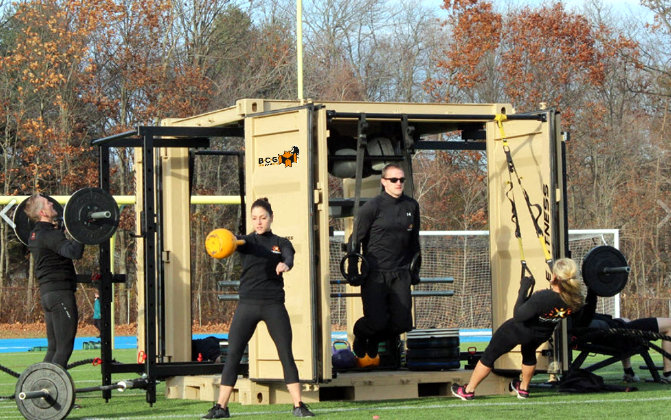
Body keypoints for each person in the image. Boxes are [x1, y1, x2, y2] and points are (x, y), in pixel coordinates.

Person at [203, 198, 314, 419]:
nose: (259, 222)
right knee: (233, 354)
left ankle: (299, 405)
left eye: (263, 217)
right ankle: (221, 408)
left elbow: (289, 257)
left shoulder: (281, 242)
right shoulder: (245, 242)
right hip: (247, 305)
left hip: (273, 305)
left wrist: (285, 264)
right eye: (254, 218)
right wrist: (227, 241)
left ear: (271, 217)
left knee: (285, 354)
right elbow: (228, 241)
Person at [451, 258, 587, 400]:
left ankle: (468, 390)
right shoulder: (576, 300)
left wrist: (523, 289)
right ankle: (523, 389)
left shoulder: (543, 297)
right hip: (541, 335)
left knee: (490, 355)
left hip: (518, 330)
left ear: (555, 277)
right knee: (528, 354)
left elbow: (519, 316)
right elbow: (579, 316)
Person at [350, 163, 420, 364]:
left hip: (400, 273)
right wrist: (353, 270)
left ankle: (374, 337)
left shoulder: (411, 206)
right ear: (384, 182)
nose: (398, 183)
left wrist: (415, 270)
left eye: (401, 180)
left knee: (402, 323)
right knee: (377, 321)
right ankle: (361, 332)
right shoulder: (372, 207)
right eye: (393, 180)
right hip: (375, 274)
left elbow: (414, 240)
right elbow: (354, 240)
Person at [24, 193, 84, 368]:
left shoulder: (36, 234)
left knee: (54, 348)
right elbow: (74, 252)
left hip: (48, 295)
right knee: (64, 348)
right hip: (60, 294)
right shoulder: (49, 234)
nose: (51, 203)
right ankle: (51, 391)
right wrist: (82, 230)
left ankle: (42, 389)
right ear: (43, 212)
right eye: (47, 203)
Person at [573, 288, 671, 382]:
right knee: (670, 325)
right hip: (619, 337)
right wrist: (592, 289)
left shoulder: (575, 317)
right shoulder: (581, 317)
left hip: (618, 334)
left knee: (624, 320)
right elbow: (590, 307)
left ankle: (628, 372)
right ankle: (668, 374)